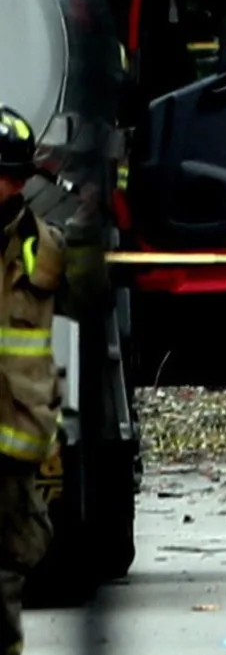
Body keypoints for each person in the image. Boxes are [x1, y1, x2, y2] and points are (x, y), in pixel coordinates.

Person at [0, 107, 67, 655]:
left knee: (6, 573)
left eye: (19, 176)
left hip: (13, 443)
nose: (13, 186)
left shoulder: (45, 248)